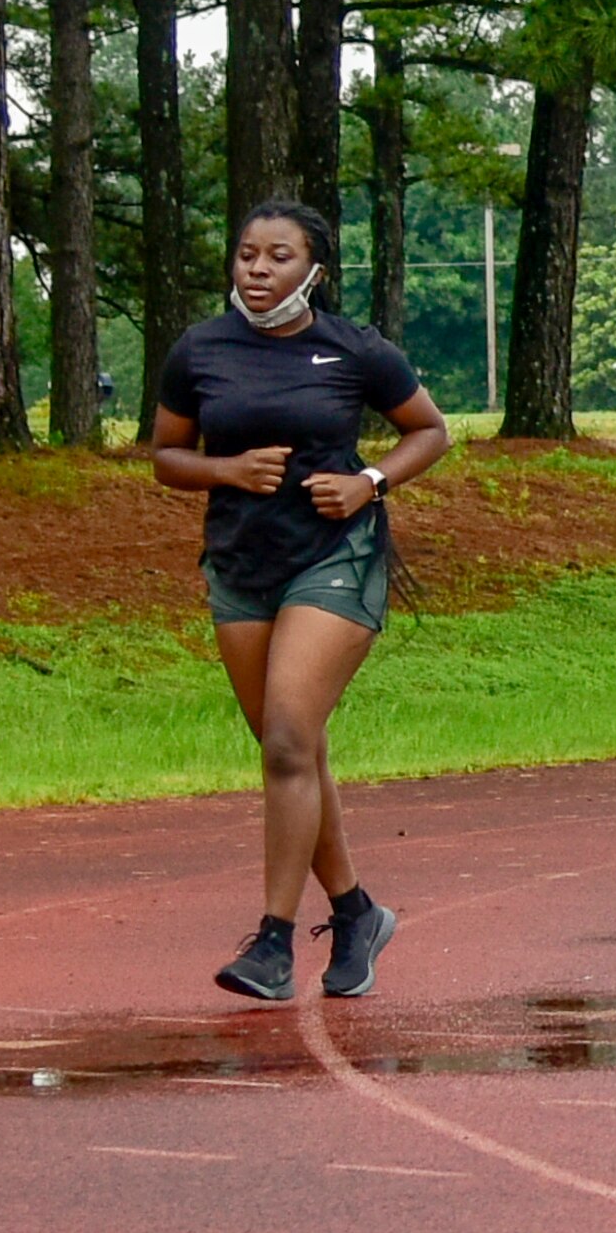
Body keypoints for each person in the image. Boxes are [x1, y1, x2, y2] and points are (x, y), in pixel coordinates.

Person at [152, 201, 449, 1001]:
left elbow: (430, 430)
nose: (255, 270)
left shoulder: (352, 348)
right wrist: (225, 471)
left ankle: (273, 944)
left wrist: (368, 483)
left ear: (312, 269)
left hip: (334, 557)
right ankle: (355, 913)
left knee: (286, 738)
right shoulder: (200, 348)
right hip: (241, 563)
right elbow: (166, 453)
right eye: (245, 254)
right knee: (295, 750)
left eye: (276, 257)